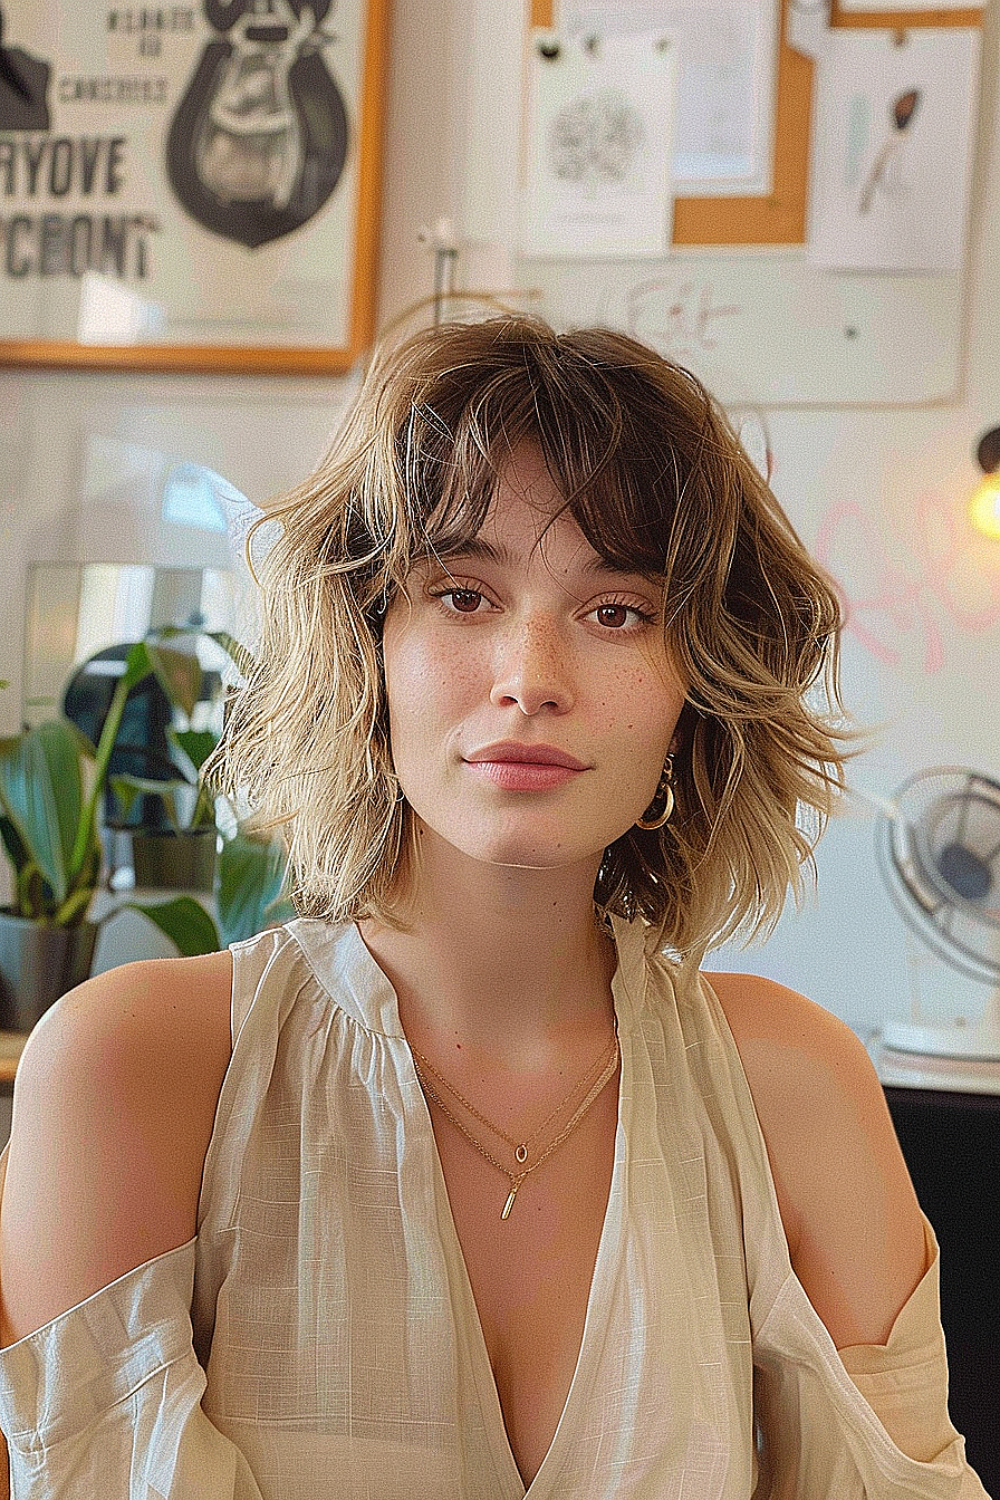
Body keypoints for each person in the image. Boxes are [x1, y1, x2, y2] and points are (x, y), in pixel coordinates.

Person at [0, 316, 987, 1498]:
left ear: (699, 689)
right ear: (366, 645)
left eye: (615, 609)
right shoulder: (136, 1068)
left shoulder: (796, 1090)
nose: (531, 675)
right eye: (463, 594)